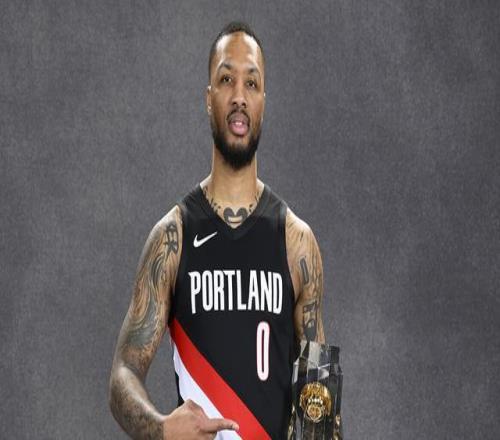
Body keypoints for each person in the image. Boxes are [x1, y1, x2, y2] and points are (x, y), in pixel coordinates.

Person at [109, 21, 332, 439]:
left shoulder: (297, 242)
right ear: (208, 97)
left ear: (263, 101)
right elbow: (124, 372)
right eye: (226, 80)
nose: (239, 96)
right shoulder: (173, 237)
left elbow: (317, 401)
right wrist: (161, 429)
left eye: (252, 83)